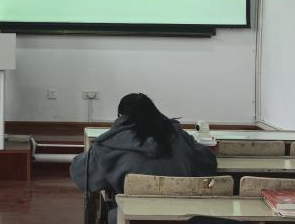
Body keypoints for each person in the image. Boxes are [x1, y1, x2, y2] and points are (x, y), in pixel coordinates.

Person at [70, 93, 217, 224]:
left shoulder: (110, 143)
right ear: (154, 112)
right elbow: (208, 163)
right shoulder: (178, 135)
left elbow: (82, 176)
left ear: (121, 116)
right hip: (182, 216)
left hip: (132, 219)